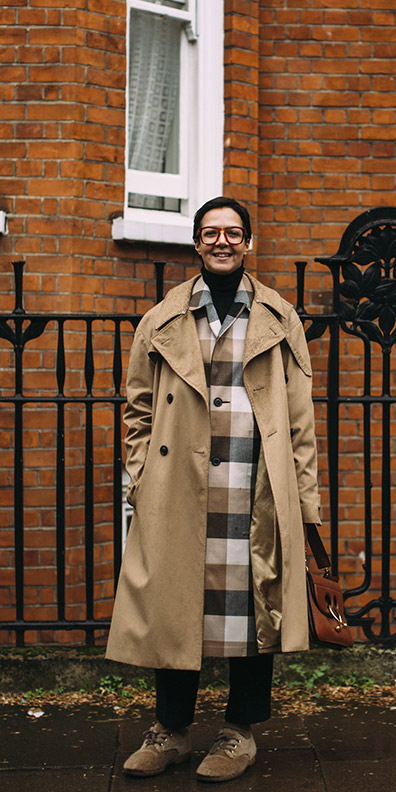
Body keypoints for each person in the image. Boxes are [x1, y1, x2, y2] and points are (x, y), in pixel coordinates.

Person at [106, 196, 320, 782]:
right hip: (179, 489)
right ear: (196, 244)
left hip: (256, 490)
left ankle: (239, 733)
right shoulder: (162, 319)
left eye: (233, 232)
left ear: (248, 242)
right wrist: (141, 478)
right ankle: (171, 732)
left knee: (253, 614)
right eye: (210, 233)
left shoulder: (280, 317)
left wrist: (305, 503)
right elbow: (138, 409)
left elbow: (300, 420)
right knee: (175, 614)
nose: (222, 241)